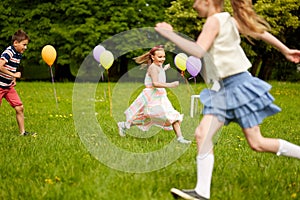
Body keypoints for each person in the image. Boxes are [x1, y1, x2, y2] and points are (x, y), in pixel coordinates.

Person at [155, 0, 300, 199]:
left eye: (197, 1)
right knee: (204, 134)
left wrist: (169, 34)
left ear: (207, 1)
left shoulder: (215, 20)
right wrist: (285, 50)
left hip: (238, 85)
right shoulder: (228, 20)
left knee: (256, 142)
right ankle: (201, 193)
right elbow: (259, 32)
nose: (195, 5)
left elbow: (198, 51)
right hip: (222, 89)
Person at [117, 45, 191, 144]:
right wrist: (170, 85)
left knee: (173, 115)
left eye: (164, 56)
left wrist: (164, 69)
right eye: (160, 57)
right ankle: (124, 125)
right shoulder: (152, 67)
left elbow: (158, 74)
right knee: (147, 118)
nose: (163, 59)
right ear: (153, 57)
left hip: (161, 96)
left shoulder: (158, 66)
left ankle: (180, 138)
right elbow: (155, 83)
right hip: (152, 97)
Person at [0, 29, 35, 136]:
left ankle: (23, 132)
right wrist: (14, 75)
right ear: (15, 43)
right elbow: (0, 66)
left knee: (19, 108)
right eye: (24, 45)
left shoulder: (18, 54)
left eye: (26, 45)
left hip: (8, 87)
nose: (25, 47)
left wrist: (13, 79)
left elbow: (12, 67)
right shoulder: (9, 52)